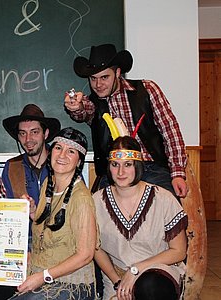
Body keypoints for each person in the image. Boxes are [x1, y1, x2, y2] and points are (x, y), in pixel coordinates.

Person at [64, 43, 188, 199]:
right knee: (96, 212)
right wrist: (76, 107)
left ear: (117, 72)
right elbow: (83, 112)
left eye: (104, 77)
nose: (98, 84)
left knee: (168, 211)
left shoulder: (147, 89)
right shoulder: (92, 102)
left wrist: (177, 173)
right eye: (93, 79)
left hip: (151, 169)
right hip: (113, 172)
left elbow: (170, 131)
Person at [93, 136, 187, 300]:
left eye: (127, 164)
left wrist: (136, 269)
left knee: (150, 286)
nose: (121, 172)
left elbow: (179, 251)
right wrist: (118, 283)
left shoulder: (163, 198)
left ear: (137, 165)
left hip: (159, 273)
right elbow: (95, 248)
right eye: (115, 165)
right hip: (117, 277)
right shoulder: (96, 201)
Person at [11, 127, 98, 299]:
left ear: (79, 161)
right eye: (58, 148)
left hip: (70, 283)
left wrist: (43, 276)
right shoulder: (47, 185)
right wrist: (33, 212)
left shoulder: (81, 198)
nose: (62, 155)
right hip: (41, 273)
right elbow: (52, 227)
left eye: (71, 151)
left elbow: (86, 254)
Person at [2, 104, 61, 205]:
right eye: (23, 133)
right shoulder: (12, 167)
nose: (28, 139)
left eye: (34, 132)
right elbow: (7, 208)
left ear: (45, 134)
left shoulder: (63, 163)